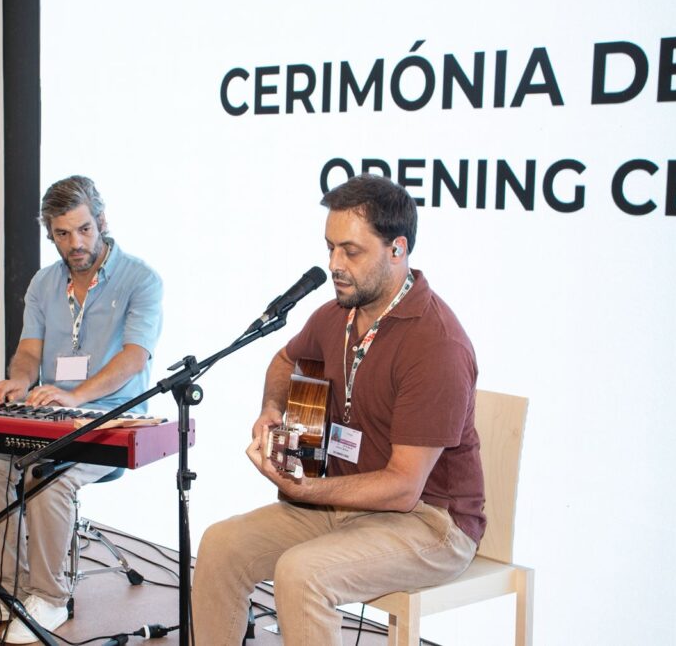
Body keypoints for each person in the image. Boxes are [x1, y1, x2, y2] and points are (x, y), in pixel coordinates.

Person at [192, 174, 483, 645]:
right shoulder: (337, 315)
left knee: (302, 573)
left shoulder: (437, 345)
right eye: (330, 248)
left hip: (430, 522)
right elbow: (286, 359)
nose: (334, 265)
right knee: (220, 545)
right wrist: (272, 408)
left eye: (351, 251)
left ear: (398, 249)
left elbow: (403, 488)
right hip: (339, 501)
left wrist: (307, 488)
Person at [0, 175, 162, 644]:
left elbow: (134, 357)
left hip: (112, 417)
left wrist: (77, 396)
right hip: (49, 414)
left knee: (47, 477)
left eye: (84, 229)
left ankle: (50, 597)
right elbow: (29, 352)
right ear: (50, 233)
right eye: (62, 234)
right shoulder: (44, 283)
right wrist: (19, 381)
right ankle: (7, 591)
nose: (75, 243)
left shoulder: (141, 279)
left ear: (101, 221)